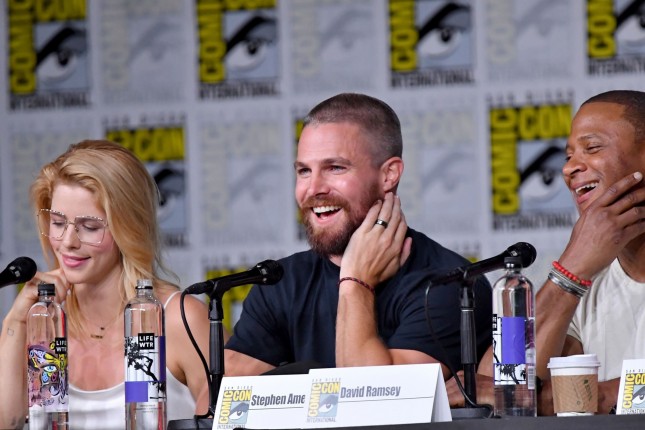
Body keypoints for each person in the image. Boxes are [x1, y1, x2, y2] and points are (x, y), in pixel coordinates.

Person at [224, 92, 492, 378]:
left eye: (335, 168)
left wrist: (355, 282)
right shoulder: (279, 283)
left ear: (389, 174)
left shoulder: (449, 284)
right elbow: (230, 398)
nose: (313, 189)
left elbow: (373, 395)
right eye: (304, 171)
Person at [447, 90, 645, 415]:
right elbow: (497, 383)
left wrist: (554, 398)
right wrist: (571, 270)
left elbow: (516, 394)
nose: (569, 169)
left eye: (592, 148)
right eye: (569, 156)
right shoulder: (588, 283)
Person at [0, 140, 215, 429]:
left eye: (90, 227)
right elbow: (8, 422)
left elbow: (232, 416)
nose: (68, 242)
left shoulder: (178, 318)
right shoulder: (42, 322)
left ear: (129, 227)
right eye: (58, 223)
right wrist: (16, 321)